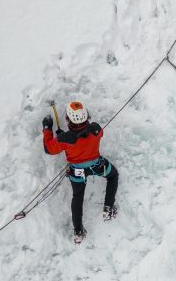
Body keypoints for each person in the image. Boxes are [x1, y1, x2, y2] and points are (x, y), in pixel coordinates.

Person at [42, 100, 119, 244]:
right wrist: (65, 136)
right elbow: (91, 134)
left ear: (68, 119)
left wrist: (49, 129)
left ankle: (78, 231)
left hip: (77, 171)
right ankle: (108, 208)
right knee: (113, 176)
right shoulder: (96, 129)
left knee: (78, 197)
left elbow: (49, 148)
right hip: (96, 165)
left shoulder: (64, 139)